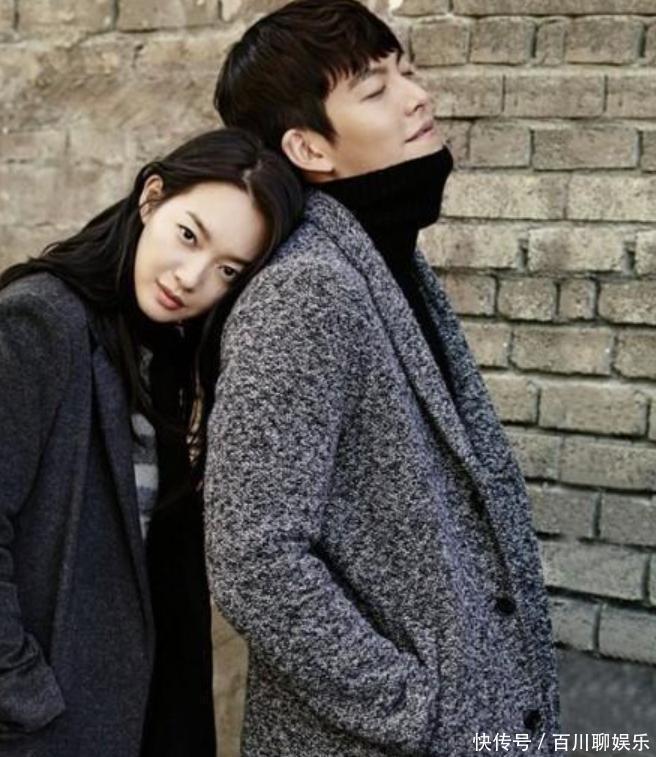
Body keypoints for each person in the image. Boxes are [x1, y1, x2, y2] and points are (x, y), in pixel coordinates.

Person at [203, 1, 561, 756]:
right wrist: (418, 710)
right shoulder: (307, 291)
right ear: (308, 147)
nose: (417, 97)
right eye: (374, 89)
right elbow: (253, 559)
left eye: (407, 72)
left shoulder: (386, 262)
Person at [0, 128, 303, 757]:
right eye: (189, 235)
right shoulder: (39, 322)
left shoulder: (165, 358)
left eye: (227, 270)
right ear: (152, 198)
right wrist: (23, 698)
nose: (191, 278)